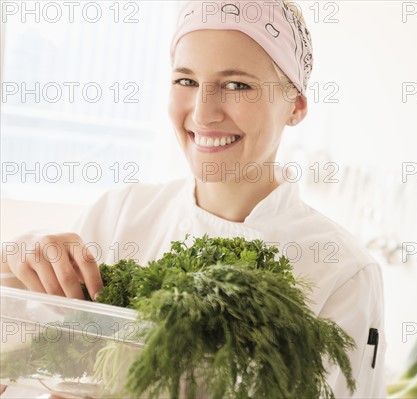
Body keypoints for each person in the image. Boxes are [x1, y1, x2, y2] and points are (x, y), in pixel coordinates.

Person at [1, 1, 387, 397]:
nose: (203, 114)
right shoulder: (119, 214)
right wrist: (14, 261)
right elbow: (24, 359)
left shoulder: (342, 272)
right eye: (186, 81)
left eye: (238, 85)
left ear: (296, 104)